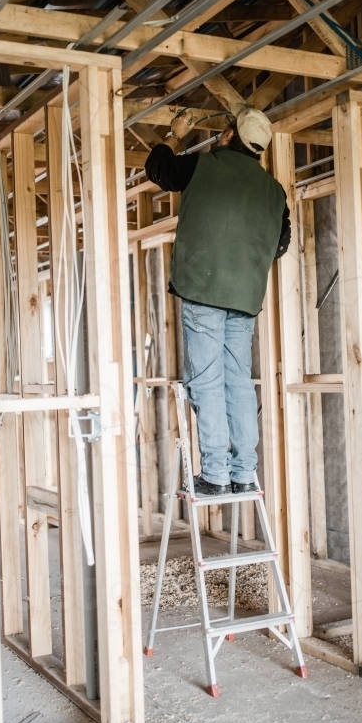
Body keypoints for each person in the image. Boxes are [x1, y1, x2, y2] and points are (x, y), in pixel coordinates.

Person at [145, 105, 290, 497]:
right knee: (239, 383)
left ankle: (215, 474)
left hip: (203, 291)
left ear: (229, 137)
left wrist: (175, 133)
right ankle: (243, 471)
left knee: (206, 381)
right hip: (245, 300)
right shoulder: (274, 191)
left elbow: (158, 168)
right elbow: (281, 244)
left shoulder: (202, 166)